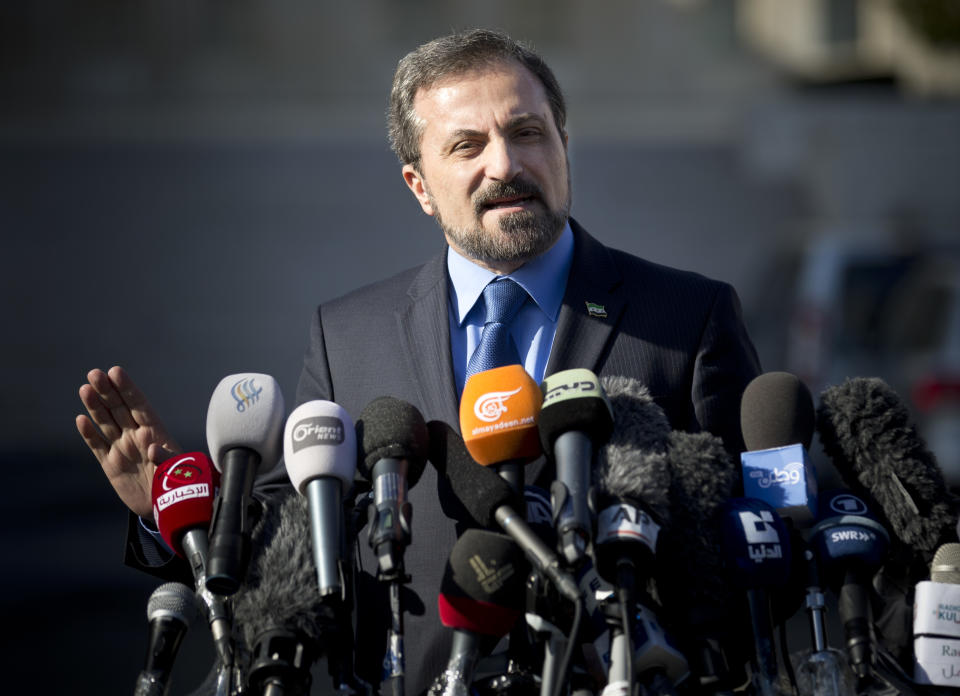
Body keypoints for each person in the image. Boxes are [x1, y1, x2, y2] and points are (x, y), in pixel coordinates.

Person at [77, 29, 761, 694]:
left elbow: (756, 544)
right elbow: (292, 546)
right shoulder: (348, 336)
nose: (505, 165)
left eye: (527, 132)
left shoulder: (686, 317)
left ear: (563, 147)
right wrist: (182, 514)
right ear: (419, 186)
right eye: (467, 146)